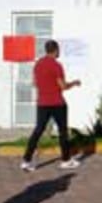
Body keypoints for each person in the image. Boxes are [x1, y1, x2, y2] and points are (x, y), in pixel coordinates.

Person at [21, 40, 82, 171]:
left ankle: (26, 160)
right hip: (57, 103)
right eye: (58, 50)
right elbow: (63, 86)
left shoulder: (38, 64)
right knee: (63, 131)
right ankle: (65, 160)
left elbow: (34, 83)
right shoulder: (56, 65)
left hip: (42, 103)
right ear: (56, 50)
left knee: (38, 131)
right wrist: (74, 83)